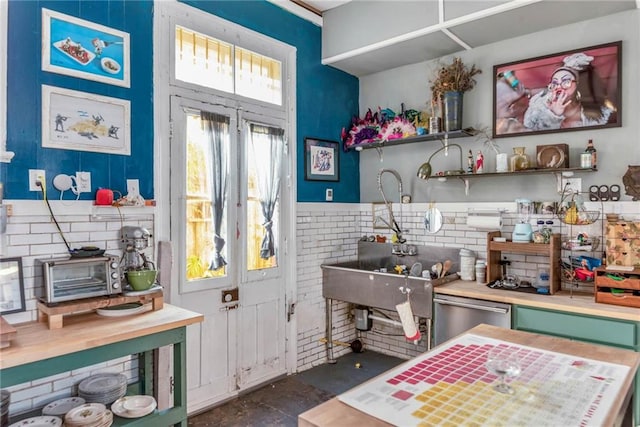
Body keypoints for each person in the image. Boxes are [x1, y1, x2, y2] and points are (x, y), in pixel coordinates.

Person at [523, 53, 615, 130]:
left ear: (579, 86)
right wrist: (553, 115)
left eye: (566, 82)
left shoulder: (602, 114)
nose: (558, 87)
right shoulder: (539, 108)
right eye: (554, 83)